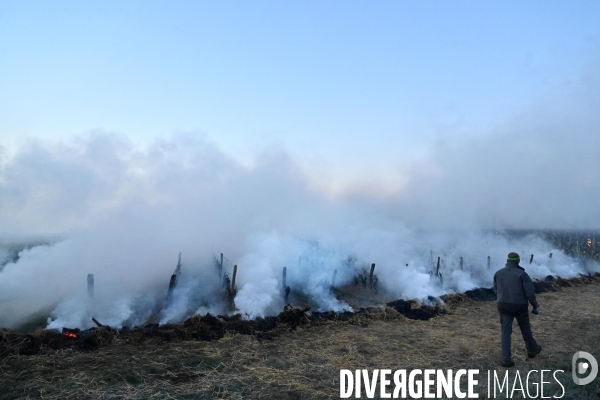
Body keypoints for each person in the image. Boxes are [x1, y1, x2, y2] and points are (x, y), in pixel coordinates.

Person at [493, 252, 542, 367]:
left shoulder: (498, 273)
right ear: (518, 261)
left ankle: (506, 359)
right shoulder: (522, 274)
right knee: (525, 328)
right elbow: (530, 293)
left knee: (506, 331)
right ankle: (531, 349)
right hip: (519, 305)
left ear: (508, 261)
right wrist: (535, 305)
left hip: (503, 305)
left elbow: (496, 290)